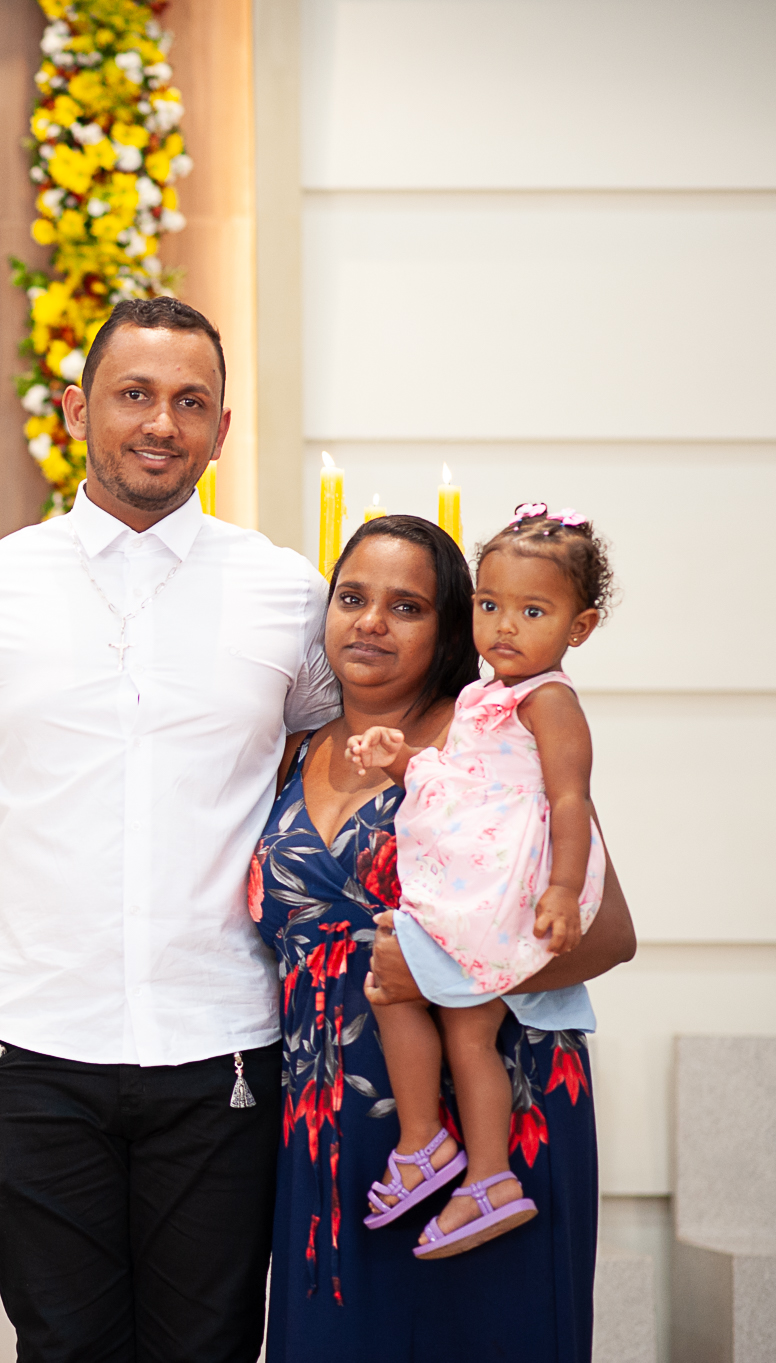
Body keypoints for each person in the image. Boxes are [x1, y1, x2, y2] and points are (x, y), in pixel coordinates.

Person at [0, 295, 332, 1363]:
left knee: (209, 1350)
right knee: (60, 1350)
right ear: (77, 409)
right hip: (34, 1048)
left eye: (190, 401)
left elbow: (341, 775)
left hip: (223, 1045)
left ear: (222, 428)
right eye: (134, 394)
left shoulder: (285, 593)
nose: (161, 423)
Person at [250, 515, 635, 1360]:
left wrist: (442, 972)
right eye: (353, 598)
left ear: (449, 623)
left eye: (407, 606)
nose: (372, 622)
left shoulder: (497, 742)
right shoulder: (289, 751)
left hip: (495, 1109)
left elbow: (609, 935)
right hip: (328, 1118)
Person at [347, 506, 613, 1259]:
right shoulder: (483, 696)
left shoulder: (549, 700)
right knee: (467, 1034)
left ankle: (427, 1143)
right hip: (475, 886)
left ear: (580, 626)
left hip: (506, 894)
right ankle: (487, 1175)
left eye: (533, 611)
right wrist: (400, 759)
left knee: (394, 989)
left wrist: (562, 889)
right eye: (489, 605)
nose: (504, 626)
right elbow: (463, 782)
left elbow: (570, 799)